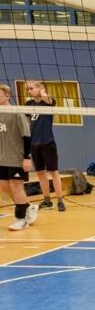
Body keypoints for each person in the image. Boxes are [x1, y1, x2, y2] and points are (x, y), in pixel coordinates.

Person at [0, 83, 37, 231]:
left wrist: (27, 157)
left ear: (7, 96)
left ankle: (20, 219)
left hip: (17, 157)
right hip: (2, 157)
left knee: (16, 187)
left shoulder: (16, 112)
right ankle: (27, 207)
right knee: (4, 187)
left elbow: (27, 136)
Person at [24, 80, 65, 212]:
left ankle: (60, 200)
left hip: (47, 142)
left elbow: (48, 100)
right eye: (27, 89)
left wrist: (43, 93)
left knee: (54, 172)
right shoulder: (28, 104)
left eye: (31, 88)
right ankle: (47, 200)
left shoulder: (48, 102)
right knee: (40, 173)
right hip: (34, 143)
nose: (29, 91)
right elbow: (26, 121)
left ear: (40, 88)